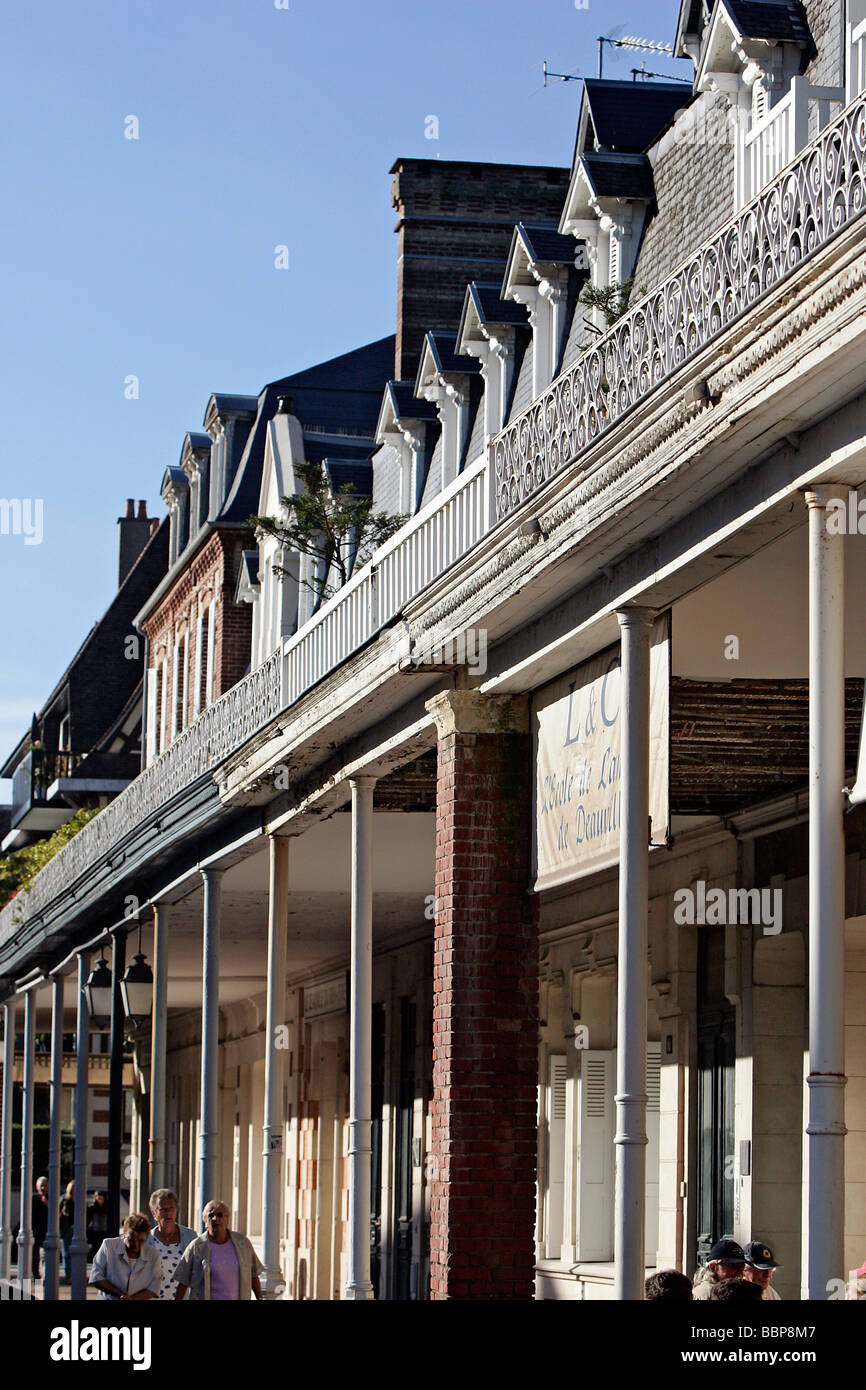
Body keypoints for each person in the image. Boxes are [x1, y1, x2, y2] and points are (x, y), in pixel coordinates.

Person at [174, 1201, 264, 1301]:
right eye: (211, 1215)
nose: (215, 1219)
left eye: (220, 1215)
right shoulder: (196, 1247)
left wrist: (259, 1298)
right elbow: (183, 1281)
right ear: (205, 1221)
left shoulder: (243, 1244)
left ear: (227, 1220)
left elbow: (254, 1275)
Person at [89, 1213, 162, 1301]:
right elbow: (96, 1278)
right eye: (131, 1240)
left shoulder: (154, 1255)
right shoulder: (108, 1246)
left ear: (146, 1238)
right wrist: (120, 1294)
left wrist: (132, 1298)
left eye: (141, 1241)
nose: (136, 1245)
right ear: (124, 1234)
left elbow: (154, 1288)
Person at [145, 1188, 197, 1301]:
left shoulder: (190, 1236)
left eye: (171, 1208)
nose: (168, 1213)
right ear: (154, 1213)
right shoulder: (146, 1239)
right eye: (163, 1209)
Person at [31, 1175, 49, 1280]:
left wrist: (47, 1204)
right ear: (37, 1187)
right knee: (34, 1256)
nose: (43, 1188)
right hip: (35, 1232)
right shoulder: (34, 1199)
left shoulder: (51, 1199)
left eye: (45, 1186)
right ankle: (35, 1275)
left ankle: (44, 1277)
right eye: (41, 1186)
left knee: (45, 1256)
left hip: (47, 1232)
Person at [58, 1180, 75, 1283]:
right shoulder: (64, 1200)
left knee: (76, 1254)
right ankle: (68, 1275)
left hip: (77, 1229)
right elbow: (58, 1213)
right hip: (66, 1229)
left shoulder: (80, 1199)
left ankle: (74, 1274)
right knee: (66, 1253)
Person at [86, 1190, 109, 1261]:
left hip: (103, 1232)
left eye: (101, 1199)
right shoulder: (92, 1208)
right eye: (98, 1199)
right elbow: (89, 1221)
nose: (100, 1201)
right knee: (95, 1249)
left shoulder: (106, 1208)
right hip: (94, 1232)